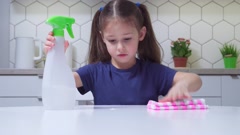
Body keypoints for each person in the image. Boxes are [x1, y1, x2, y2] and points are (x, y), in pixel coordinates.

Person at [44, 0, 202, 105]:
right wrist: (55, 55)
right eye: (112, 40)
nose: (120, 47)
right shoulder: (94, 72)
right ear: (103, 38)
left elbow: (195, 80)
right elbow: (58, 83)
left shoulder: (152, 72)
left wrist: (182, 84)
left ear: (141, 34)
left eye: (127, 39)